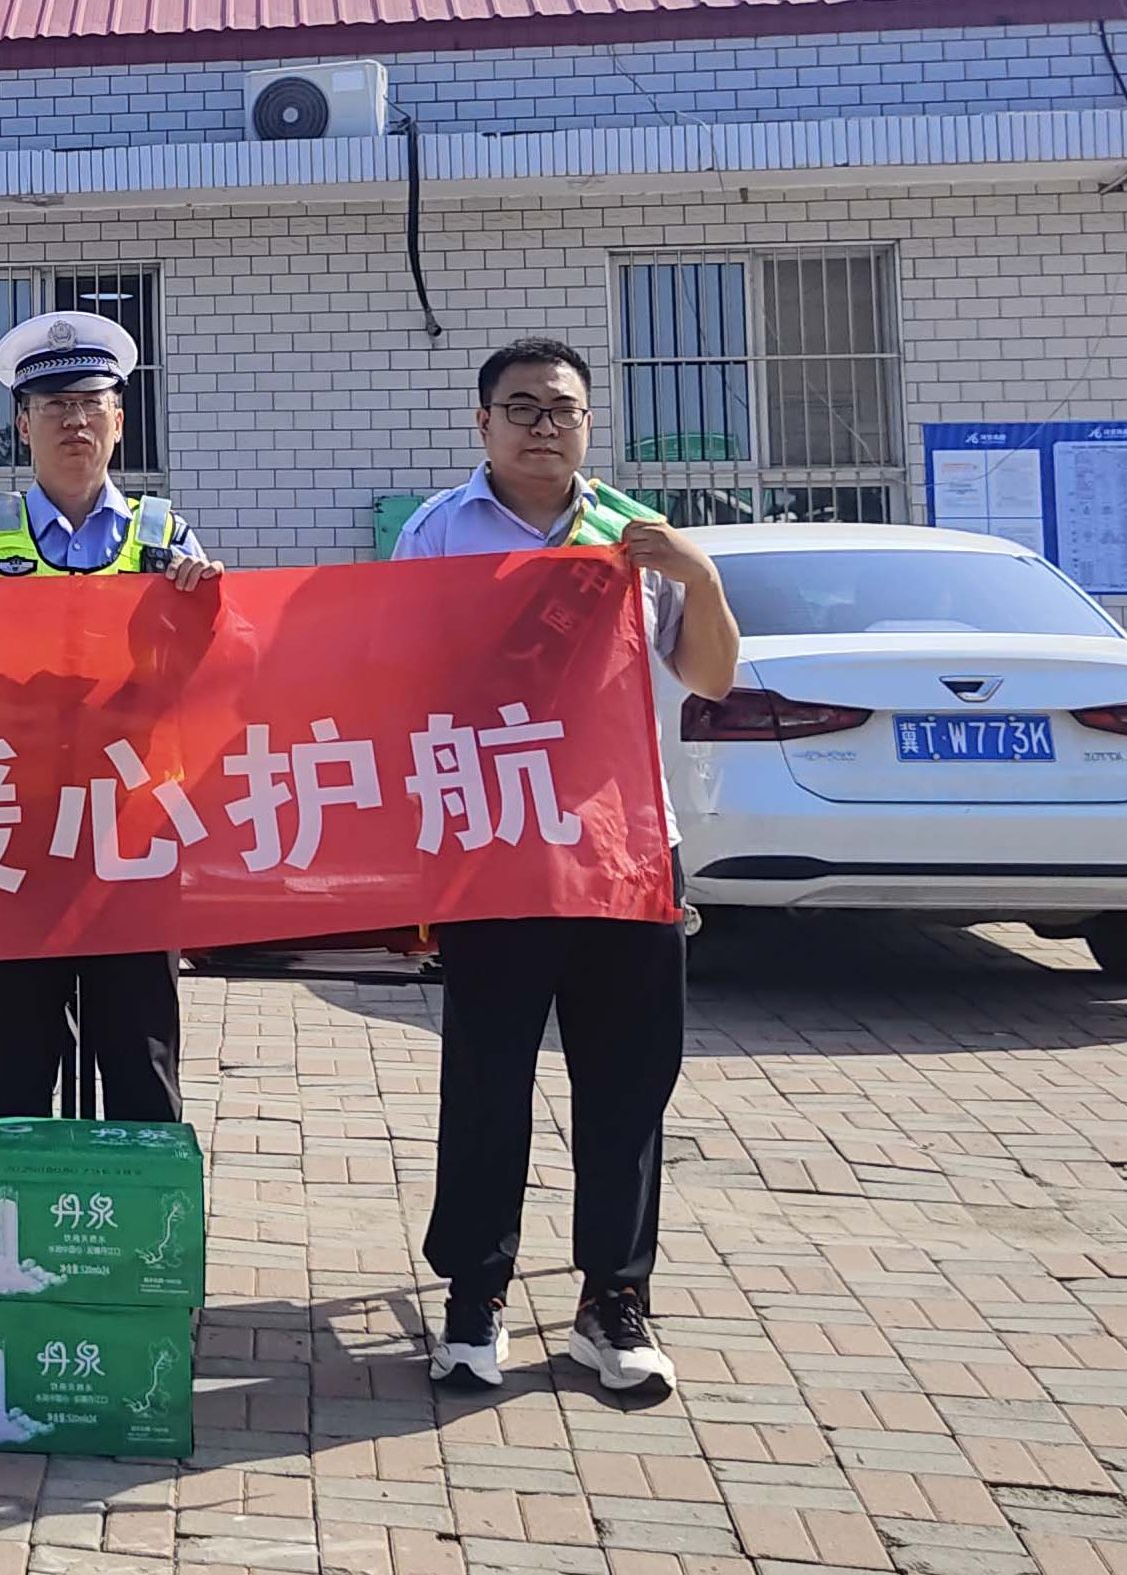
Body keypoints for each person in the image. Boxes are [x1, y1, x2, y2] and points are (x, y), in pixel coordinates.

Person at [393, 337, 739, 1397]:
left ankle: (614, 1298)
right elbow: (390, 676)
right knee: (487, 1078)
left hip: (623, 848)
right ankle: (475, 1295)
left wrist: (698, 573)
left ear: (589, 423)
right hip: (496, 847)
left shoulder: (634, 535)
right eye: (522, 407)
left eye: (563, 409)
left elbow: (711, 676)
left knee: (629, 1081)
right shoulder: (437, 533)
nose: (544, 425)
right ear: (482, 421)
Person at [0, 309, 224, 1125]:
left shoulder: (167, 540)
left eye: (91, 403)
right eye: (53, 405)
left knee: (141, 1047)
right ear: (22, 424)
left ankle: (138, 1204)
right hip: (13, 824)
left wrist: (206, 608)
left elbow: (208, 678)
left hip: (131, 825)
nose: (74, 421)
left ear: (119, 421)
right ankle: (20, 1200)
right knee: (20, 1051)